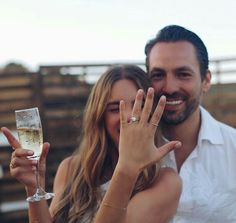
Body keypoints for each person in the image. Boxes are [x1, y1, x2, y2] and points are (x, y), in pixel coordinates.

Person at [1, 65, 182, 223]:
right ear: (100, 117)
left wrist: (127, 168)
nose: (128, 117)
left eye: (139, 107)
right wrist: (33, 188)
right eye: (114, 109)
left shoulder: (165, 182)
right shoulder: (71, 168)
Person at [144, 24, 236, 222]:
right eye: (158, 75)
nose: (169, 88)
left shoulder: (233, 148)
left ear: (206, 80)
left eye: (183, 74)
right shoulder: (124, 151)